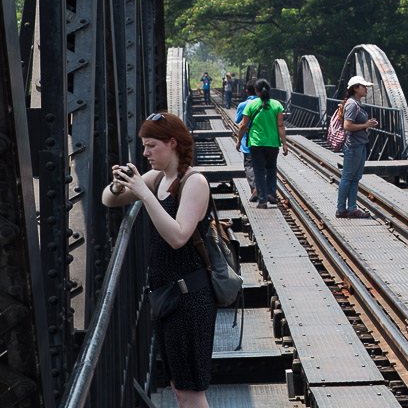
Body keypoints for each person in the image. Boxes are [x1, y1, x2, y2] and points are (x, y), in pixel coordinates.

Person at [102, 112, 214, 408]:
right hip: (168, 299)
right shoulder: (158, 179)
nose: (145, 153)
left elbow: (178, 237)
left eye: (151, 145)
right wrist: (118, 185)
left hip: (190, 300)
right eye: (143, 145)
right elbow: (109, 200)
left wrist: (144, 195)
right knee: (180, 389)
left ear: (172, 143)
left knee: (192, 392)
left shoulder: (194, 182)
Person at [235, 79, 288, 209]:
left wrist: (238, 140)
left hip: (255, 143)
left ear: (257, 91)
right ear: (268, 90)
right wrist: (285, 144)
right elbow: (280, 125)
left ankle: (263, 200)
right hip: (272, 143)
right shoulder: (277, 105)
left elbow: (243, 125)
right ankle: (271, 193)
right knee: (271, 168)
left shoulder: (251, 105)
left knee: (258, 170)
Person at [337, 74, 379, 218]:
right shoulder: (351, 104)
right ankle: (342, 209)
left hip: (359, 145)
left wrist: (367, 124)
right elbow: (347, 125)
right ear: (355, 88)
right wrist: (365, 124)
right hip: (353, 146)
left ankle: (352, 208)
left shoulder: (356, 103)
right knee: (348, 177)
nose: (366, 89)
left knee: (354, 178)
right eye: (363, 86)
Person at [235, 80, 258, 202]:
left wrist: (238, 141)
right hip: (263, 140)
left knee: (249, 166)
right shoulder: (266, 104)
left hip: (248, 141)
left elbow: (239, 121)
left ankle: (255, 189)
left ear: (247, 91)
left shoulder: (243, 105)